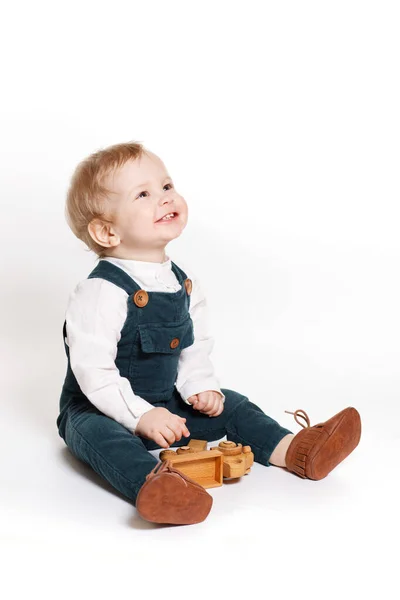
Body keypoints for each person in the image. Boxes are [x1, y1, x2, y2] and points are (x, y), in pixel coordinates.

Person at [56, 141, 362, 526]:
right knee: (101, 437)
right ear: (106, 230)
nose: (164, 198)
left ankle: (296, 451)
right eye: (144, 194)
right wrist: (141, 415)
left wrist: (200, 387)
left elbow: (193, 347)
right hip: (99, 408)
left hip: (165, 407)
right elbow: (93, 371)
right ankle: (155, 488)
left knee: (232, 403)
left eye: (166, 186)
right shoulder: (101, 291)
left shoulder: (184, 283)